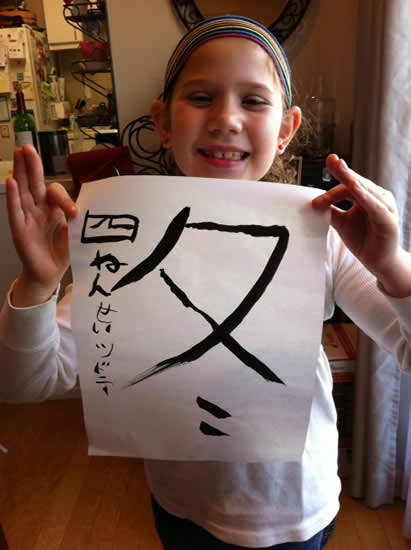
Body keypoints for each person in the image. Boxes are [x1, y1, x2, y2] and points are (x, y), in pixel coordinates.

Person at [1, 15, 411, 550]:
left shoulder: (324, 234)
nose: (225, 119)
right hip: (182, 507)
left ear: (286, 130)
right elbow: (25, 383)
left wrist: (391, 264)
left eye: (254, 101)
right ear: (163, 122)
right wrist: (37, 285)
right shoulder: (124, 238)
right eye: (200, 97)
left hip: (294, 511)